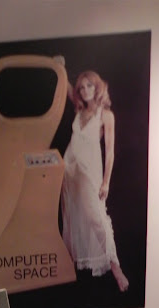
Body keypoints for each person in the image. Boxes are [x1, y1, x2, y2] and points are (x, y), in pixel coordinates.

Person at [56, 57, 129, 292]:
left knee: (95, 216)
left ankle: (115, 267)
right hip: (70, 169)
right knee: (71, 214)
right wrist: (60, 67)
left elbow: (110, 152)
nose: (85, 90)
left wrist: (106, 182)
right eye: (82, 87)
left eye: (89, 86)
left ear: (97, 87)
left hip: (89, 171)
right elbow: (68, 88)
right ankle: (71, 266)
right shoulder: (79, 109)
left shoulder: (105, 115)